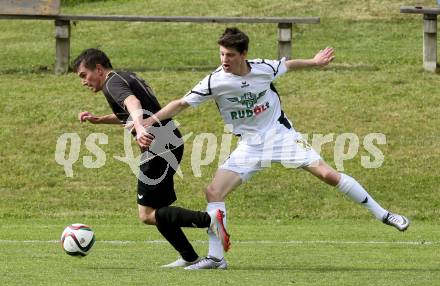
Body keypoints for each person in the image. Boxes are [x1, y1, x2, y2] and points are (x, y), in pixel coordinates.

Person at [140, 27, 410, 270]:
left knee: (328, 175)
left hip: (281, 136)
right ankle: (216, 257)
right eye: (222, 54)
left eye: (230, 55)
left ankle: (385, 215)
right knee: (213, 191)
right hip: (250, 146)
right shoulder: (215, 81)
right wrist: (150, 121)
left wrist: (315, 63)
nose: (224, 60)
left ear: (244, 54)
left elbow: (288, 65)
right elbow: (181, 103)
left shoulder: (263, 68)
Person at [72, 48, 230, 268]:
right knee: (159, 209)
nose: (83, 82)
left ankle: (211, 220)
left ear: (98, 69)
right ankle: (189, 256)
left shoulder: (111, 83)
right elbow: (134, 112)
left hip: (159, 146)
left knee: (147, 214)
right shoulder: (125, 76)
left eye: (83, 75)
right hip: (168, 142)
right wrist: (99, 120)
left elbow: (134, 104)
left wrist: (140, 128)